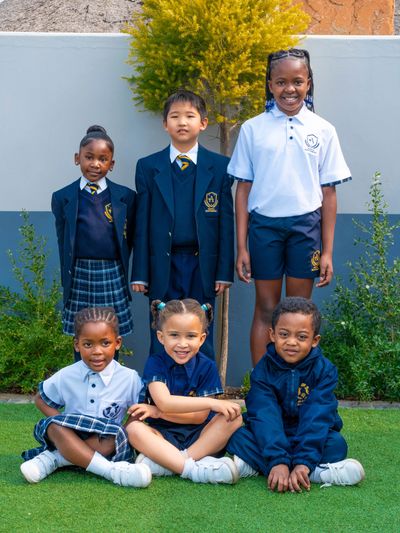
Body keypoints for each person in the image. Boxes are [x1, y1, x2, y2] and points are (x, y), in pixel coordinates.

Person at [228, 49, 351, 365]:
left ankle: (295, 386)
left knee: (297, 313)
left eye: (297, 81)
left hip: (305, 228)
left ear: (308, 83)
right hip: (264, 227)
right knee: (266, 308)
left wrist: (326, 251)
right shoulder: (253, 129)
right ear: (270, 84)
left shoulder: (323, 129)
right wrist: (241, 247)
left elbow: (329, 194)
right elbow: (243, 190)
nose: (289, 89)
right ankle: (262, 389)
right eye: (281, 82)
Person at [131, 90, 234, 359]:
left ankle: (204, 394)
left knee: (200, 327)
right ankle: (158, 390)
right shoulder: (148, 167)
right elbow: (141, 225)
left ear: (203, 123)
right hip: (163, 265)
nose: (182, 122)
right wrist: (140, 272)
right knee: (163, 326)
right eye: (175, 116)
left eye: (190, 116)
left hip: (203, 266)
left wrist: (224, 271)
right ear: (165, 124)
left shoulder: (220, 167)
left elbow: (226, 222)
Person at [227, 297, 365, 491]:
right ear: (272, 334)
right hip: (274, 433)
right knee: (238, 437)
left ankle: (300, 470)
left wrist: (303, 461)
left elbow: (317, 416)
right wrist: (277, 460)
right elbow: (265, 415)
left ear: (314, 340)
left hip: (308, 435)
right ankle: (308, 472)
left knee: (336, 444)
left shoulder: (325, 371)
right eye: (284, 334)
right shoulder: (262, 371)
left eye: (301, 337)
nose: (291, 342)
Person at [20, 307, 151, 488]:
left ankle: (57, 458)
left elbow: (140, 409)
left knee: (111, 440)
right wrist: (59, 420)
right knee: (54, 427)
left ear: (118, 343)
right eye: (88, 344)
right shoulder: (67, 375)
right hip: (70, 432)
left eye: (105, 343)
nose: (97, 351)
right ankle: (112, 472)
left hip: (104, 438)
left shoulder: (129, 378)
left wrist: (126, 431)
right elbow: (40, 399)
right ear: (77, 345)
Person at [126, 299, 243, 484]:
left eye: (190, 336)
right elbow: (165, 402)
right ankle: (194, 470)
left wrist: (157, 412)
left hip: (201, 438)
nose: (182, 344)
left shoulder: (207, 366)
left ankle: (172, 463)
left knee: (235, 418)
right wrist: (212, 402)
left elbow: (198, 417)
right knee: (133, 429)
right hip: (163, 436)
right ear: (161, 337)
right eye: (174, 335)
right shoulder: (155, 363)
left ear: (202, 338)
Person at [52, 125, 135, 361]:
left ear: (112, 164)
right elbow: (62, 242)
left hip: (112, 273)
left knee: (110, 331)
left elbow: (133, 239)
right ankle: (82, 385)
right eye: (89, 157)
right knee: (82, 333)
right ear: (77, 158)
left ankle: (111, 385)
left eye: (103, 159)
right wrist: (66, 279)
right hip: (79, 274)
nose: (95, 164)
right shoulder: (63, 197)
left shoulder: (125, 197)